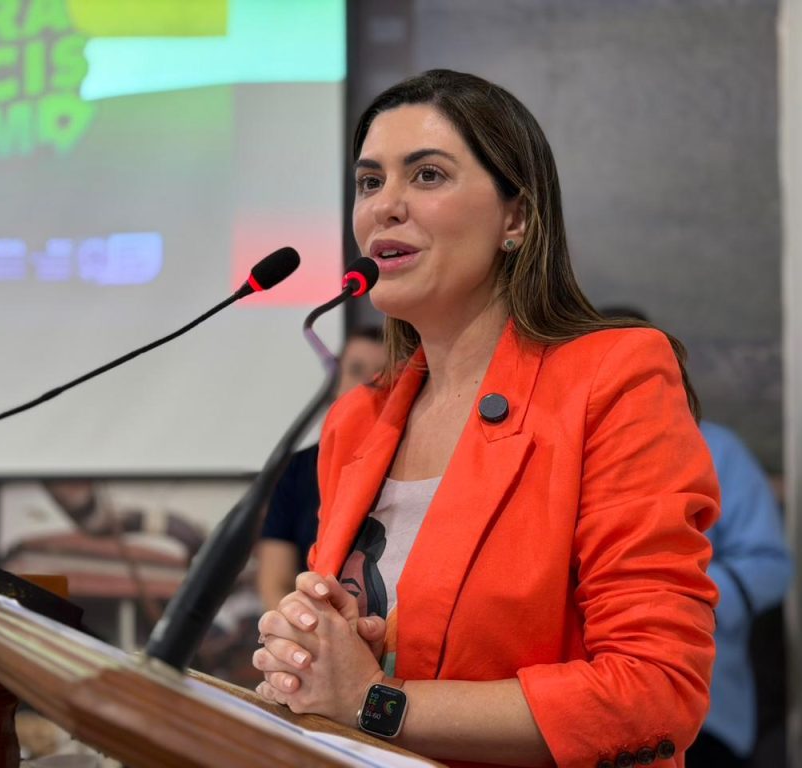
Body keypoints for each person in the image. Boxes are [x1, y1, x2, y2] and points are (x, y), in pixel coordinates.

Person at [252, 69, 720, 768]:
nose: (386, 206)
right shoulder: (358, 420)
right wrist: (308, 658)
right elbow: (345, 672)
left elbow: (655, 692)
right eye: (370, 181)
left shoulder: (613, 378)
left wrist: (373, 701)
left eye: (428, 176)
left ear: (517, 218)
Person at [600, 307, 794, 768]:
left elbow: (769, 563)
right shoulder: (562, 455)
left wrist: (678, 599)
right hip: (588, 707)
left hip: (704, 708)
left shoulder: (717, 449)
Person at [255, 327, 385, 611]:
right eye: (356, 370)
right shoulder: (296, 470)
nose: (367, 384)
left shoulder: (411, 463)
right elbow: (274, 583)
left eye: (381, 374)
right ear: (334, 379)